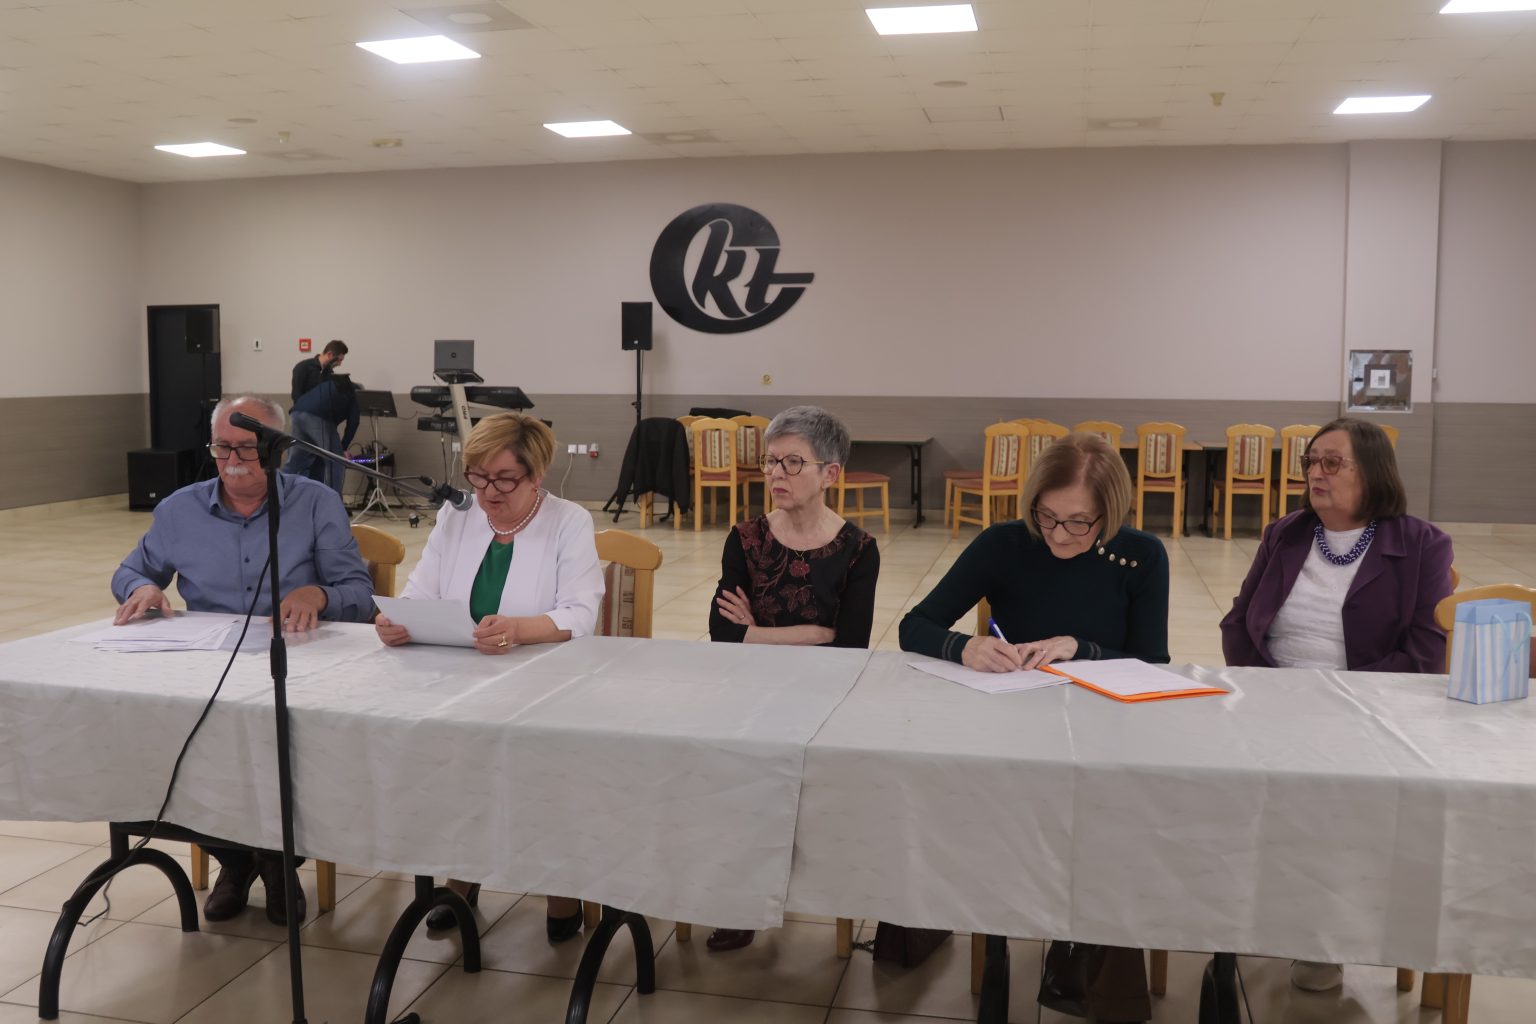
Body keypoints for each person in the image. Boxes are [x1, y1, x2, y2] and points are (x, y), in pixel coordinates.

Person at [900, 430, 1167, 1024]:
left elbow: (1153, 663)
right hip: (1014, 727)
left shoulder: (1142, 555)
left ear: (1110, 514)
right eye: (1047, 517)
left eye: (1079, 523)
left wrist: (1082, 648)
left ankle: (1095, 961)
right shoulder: (1005, 544)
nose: (1059, 536)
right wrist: (964, 647)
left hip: (1103, 732)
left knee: (1114, 819)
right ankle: (991, 928)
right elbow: (914, 626)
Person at [111, 394, 376, 925]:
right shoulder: (179, 509)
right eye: (222, 447)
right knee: (177, 739)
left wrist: (318, 595)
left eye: (248, 448)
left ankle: (278, 859)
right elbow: (130, 571)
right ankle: (237, 859)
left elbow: (360, 594)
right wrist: (142, 588)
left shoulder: (316, 502)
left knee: (292, 747)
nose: (232, 460)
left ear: (278, 449)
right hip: (207, 666)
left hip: (299, 664)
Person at [1220, 416, 1454, 993]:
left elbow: (1424, 655)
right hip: (1273, 700)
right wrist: (1269, 692)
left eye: (1332, 462)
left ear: (1372, 471)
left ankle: (1319, 931)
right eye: (1310, 462)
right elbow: (1238, 623)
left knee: (1321, 795)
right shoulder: (1286, 533)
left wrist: (1334, 701)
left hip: (1369, 712)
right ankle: (1235, 909)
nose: (1315, 473)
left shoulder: (1422, 545)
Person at [374, 412, 604, 941]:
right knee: (449, 762)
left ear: (536, 476)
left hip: (545, 683)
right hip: (460, 678)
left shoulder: (567, 520)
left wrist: (519, 629)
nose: (487, 494)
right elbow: (421, 590)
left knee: (540, 769)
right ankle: (462, 874)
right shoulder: (458, 515)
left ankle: (560, 884)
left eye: (504, 480)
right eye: (477, 478)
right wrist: (397, 620)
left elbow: (580, 613)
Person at [705, 405, 880, 952]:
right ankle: (740, 897)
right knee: (737, 773)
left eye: (792, 463)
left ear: (831, 473)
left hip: (824, 699)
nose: (776, 474)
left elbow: (849, 648)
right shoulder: (745, 540)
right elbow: (723, 633)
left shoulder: (858, 550)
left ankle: (821, 885)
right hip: (750, 693)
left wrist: (759, 632)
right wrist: (812, 633)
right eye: (770, 461)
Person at [285, 374, 360, 495]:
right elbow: (354, 421)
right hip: (318, 417)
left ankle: (280, 495)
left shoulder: (331, 386)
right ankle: (333, 501)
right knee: (335, 462)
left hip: (296, 413)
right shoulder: (355, 394)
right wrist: (343, 448)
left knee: (295, 462)